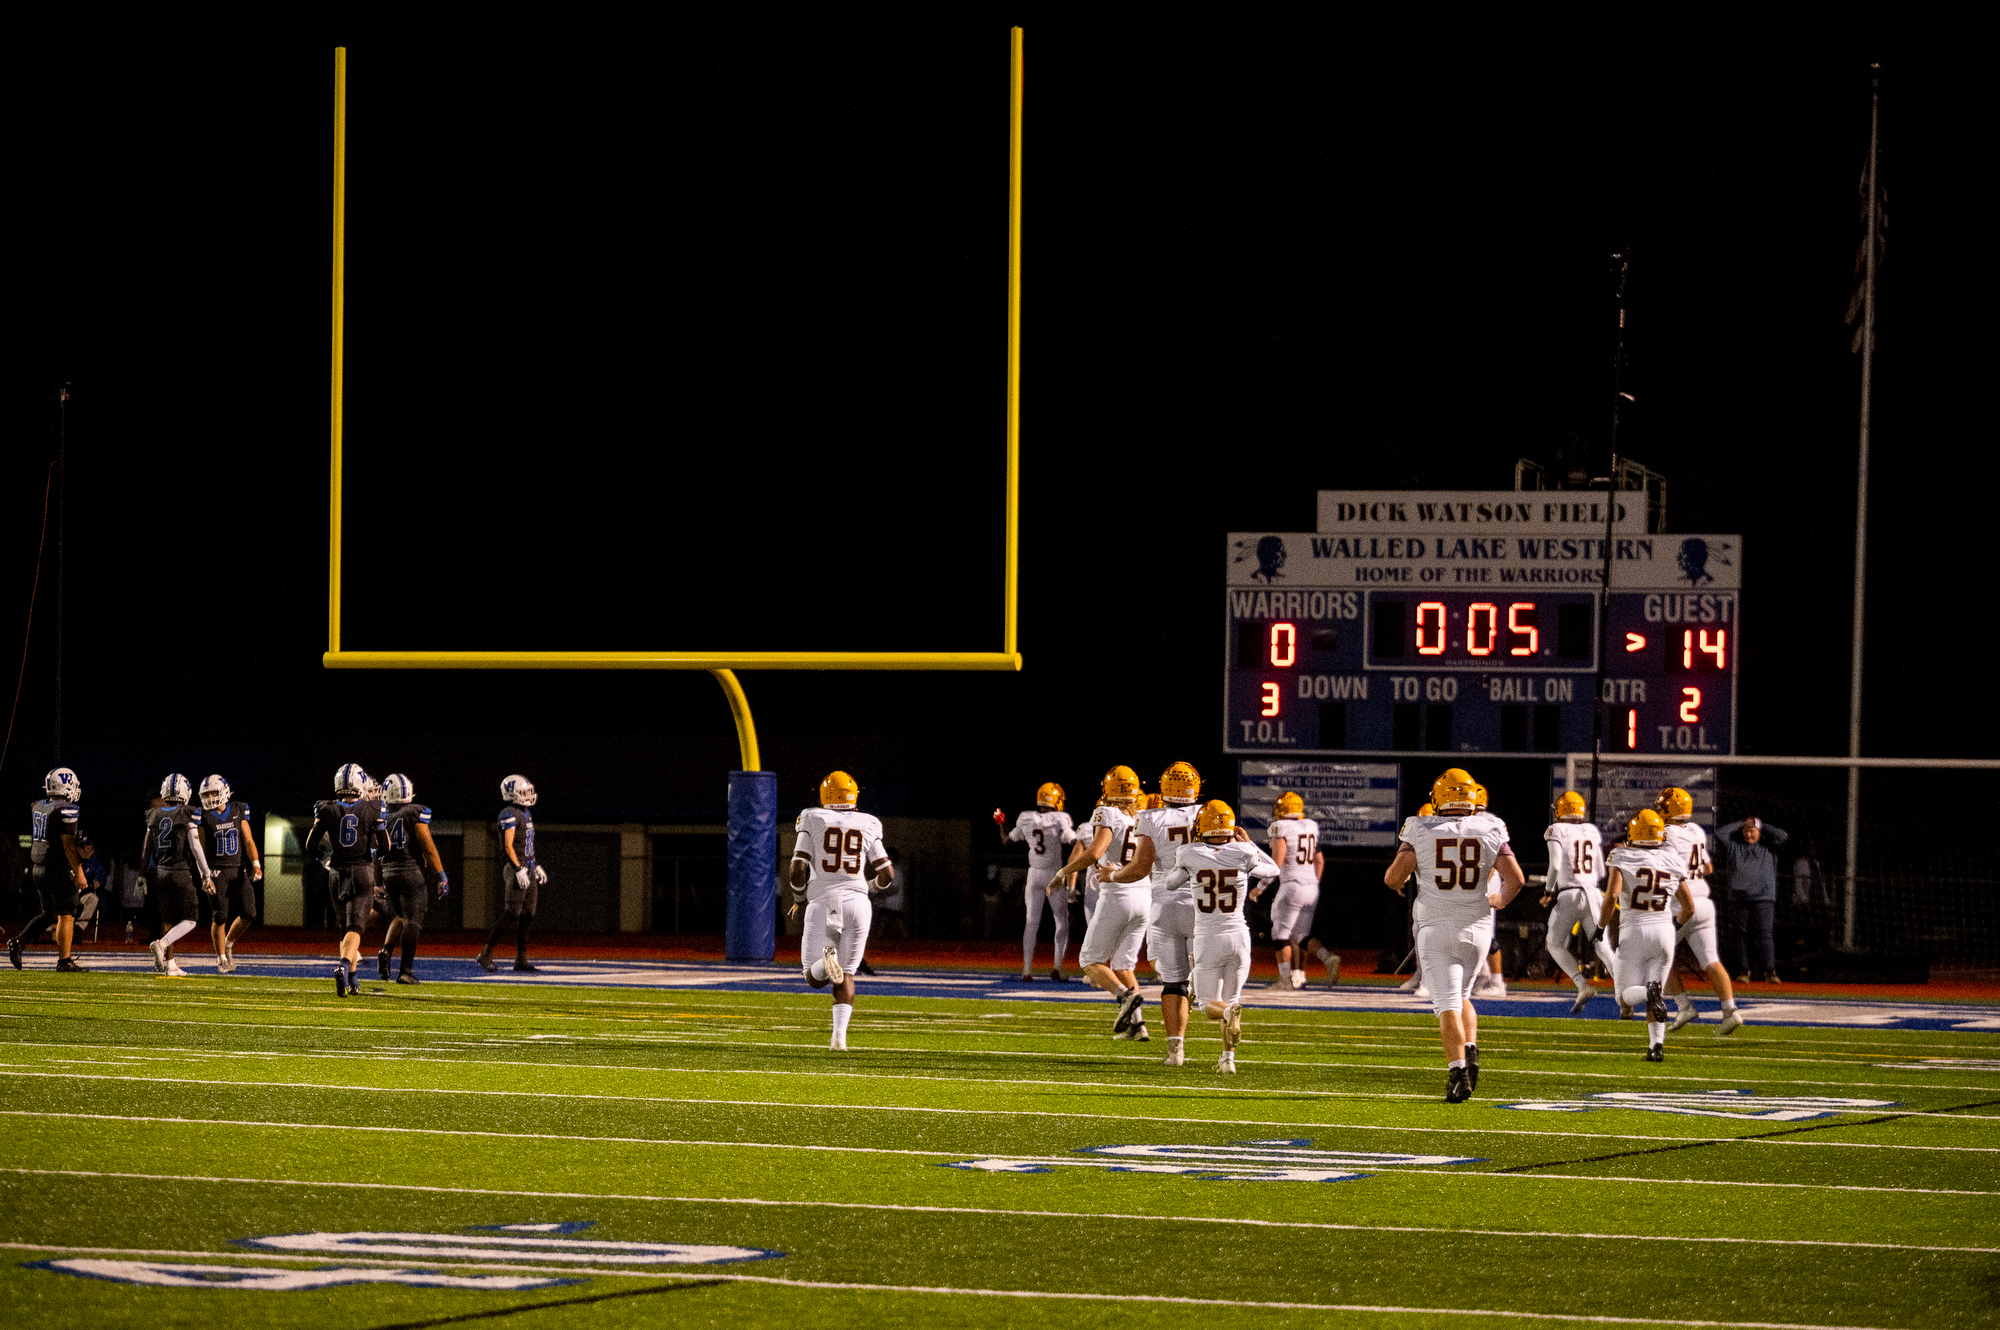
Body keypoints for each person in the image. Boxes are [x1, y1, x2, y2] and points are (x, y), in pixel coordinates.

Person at [1384, 770, 1526, 1103]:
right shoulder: (1490, 827)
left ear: (1438, 798)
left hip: (1436, 928)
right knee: (1462, 995)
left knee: (1447, 1004)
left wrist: (1400, 880)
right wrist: (1499, 900)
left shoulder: (1419, 827)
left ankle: (1458, 1072)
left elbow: (1395, 876)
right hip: (1477, 929)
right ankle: (1471, 1051)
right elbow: (1515, 879)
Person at [1159, 800, 1278, 1074]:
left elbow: (1170, 884)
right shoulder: (1243, 852)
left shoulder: (1189, 852)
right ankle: (1228, 1061)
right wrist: (1250, 845)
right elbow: (1273, 871)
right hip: (1239, 935)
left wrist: (1188, 868)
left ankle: (1226, 1017)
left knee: (1208, 1005)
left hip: (1208, 937)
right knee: (1232, 999)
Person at [1105, 762, 1205, 1066]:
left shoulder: (1151, 817)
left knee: (1172, 982)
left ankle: (1176, 1050)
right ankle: (1203, 980)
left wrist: (1110, 876)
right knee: (1205, 983)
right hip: (1203, 904)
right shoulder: (1208, 813)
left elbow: (1140, 869)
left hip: (1166, 902)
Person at [787, 770, 892, 1051]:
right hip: (859, 903)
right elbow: (887, 873)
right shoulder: (869, 822)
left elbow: (797, 869)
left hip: (824, 899)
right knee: (846, 974)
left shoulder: (812, 817)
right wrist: (869, 885)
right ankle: (839, 1040)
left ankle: (825, 962)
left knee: (812, 975)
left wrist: (799, 898)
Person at [1054, 767, 1150, 1041]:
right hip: (1144, 895)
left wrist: (1062, 873)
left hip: (1117, 893)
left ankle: (1123, 997)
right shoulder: (1144, 816)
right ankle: (1138, 1026)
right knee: (1123, 964)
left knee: (1089, 960)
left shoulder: (1106, 813)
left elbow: (1094, 852)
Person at [1602, 809, 1695, 1061]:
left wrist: (1600, 927)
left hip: (1634, 931)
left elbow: (1611, 896)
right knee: (1657, 992)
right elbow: (1689, 907)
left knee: (1624, 996)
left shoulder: (1621, 856)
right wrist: (1673, 926)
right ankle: (1656, 1047)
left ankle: (1648, 993)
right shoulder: (1672, 859)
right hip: (1664, 932)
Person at [1656, 788, 1744, 1035]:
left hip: (1683, 905)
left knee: (1658, 957)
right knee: (1711, 961)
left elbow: (1674, 871)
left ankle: (1683, 1006)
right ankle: (1730, 1011)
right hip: (1705, 903)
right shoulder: (1695, 830)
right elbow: (1708, 867)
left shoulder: (1666, 833)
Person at [304, 763, 388, 996]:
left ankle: (352, 978)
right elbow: (386, 845)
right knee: (355, 927)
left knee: (346, 928)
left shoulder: (327, 808)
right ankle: (343, 966)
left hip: (335, 872)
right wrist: (378, 856)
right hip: (361, 870)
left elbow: (311, 844)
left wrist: (325, 857)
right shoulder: (373, 809)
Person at [992, 782, 1077, 981]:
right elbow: (1070, 838)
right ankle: (1057, 967)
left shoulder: (1025, 817)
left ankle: (1027, 970)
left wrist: (1001, 825)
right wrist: (1083, 843)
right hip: (1053, 875)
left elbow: (1006, 841)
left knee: (1031, 922)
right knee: (1061, 922)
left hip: (1034, 875)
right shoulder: (1060, 818)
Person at [1540, 791, 1616, 1014]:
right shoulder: (1590, 830)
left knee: (1554, 944)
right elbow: (1601, 869)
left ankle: (1582, 985)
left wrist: (1548, 891)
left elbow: (1554, 865)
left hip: (1569, 894)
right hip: (1593, 893)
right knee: (1603, 948)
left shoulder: (1556, 829)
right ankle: (1625, 993)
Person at [1255, 790, 1337, 990]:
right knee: (1300, 937)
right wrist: (1313, 884)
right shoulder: (1310, 826)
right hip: (1311, 888)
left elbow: (1276, 864)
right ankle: (1328, 958)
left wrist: (1258, 888)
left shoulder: (1280, 827)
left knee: (1279, 935)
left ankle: (1285, 982)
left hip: (1292, 886)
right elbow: (1319, 860)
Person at [376, 774, 449, 984]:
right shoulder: (415, 812)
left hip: (389, 872)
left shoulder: (383, 816)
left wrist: (378, 881)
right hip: (410, 872)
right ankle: (405, 971)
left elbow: (377, 852)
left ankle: (386, 951)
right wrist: (440, 874)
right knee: (413, 920)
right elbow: (428, 845)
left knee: (400, 916)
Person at [14, 767, 89, 972]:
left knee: (48, 913)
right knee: (67, 914)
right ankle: (64, 961)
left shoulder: (38, 805)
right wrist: (79, 871)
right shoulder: (67, 809)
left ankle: (19, 942)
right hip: (57, 869)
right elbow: (67, 844)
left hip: (38, 868)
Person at [143, 774, 216, 977]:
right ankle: (162, 944)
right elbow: (195, 846)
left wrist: (141, 875)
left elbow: (146, 848)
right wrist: (206, 874)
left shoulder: (154, 813)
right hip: (180, 872)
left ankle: (171, 964)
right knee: (190, 920)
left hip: (160, 872)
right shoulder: (187, 812)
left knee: (168, 919)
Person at [196, 775, 262, 974]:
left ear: (224, 791)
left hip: (238, 868)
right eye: (206, 794)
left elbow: (248, 840)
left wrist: (256, 864)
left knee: (250, 913)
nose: (209, 797)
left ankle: (229, 944)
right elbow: (199, 848)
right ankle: (221, 958)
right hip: (216, 871)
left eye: (213, 793)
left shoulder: (238, 810)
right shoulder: (203, 816)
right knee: (220, 916)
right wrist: (204, 875)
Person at [479, 774, 545, 973]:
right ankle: (485, 954)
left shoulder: (525, 812)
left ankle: (521, 959)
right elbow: (508, 846)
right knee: (511, 914)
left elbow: (526, 844)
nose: (527, 795)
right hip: (517, 869)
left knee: (528, 915)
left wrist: (535, 864)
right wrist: (518, 869)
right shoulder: (508, 813)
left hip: (529, 867)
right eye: (523, 792)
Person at [1712, 815, 1789, 983]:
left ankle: (1770, 971)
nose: (1749, 835)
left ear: (1759, 832)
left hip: (1763, 897)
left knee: (1764, 934)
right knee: (1741, 935)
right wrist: (1741, 823)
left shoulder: (1768, 845)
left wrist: (1762, 824)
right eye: (1746, 831)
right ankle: (1744, 971)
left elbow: (1783, 836)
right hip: (1739, 898)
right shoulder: (1734, 845)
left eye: (1752, 831)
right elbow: (1720, 834)